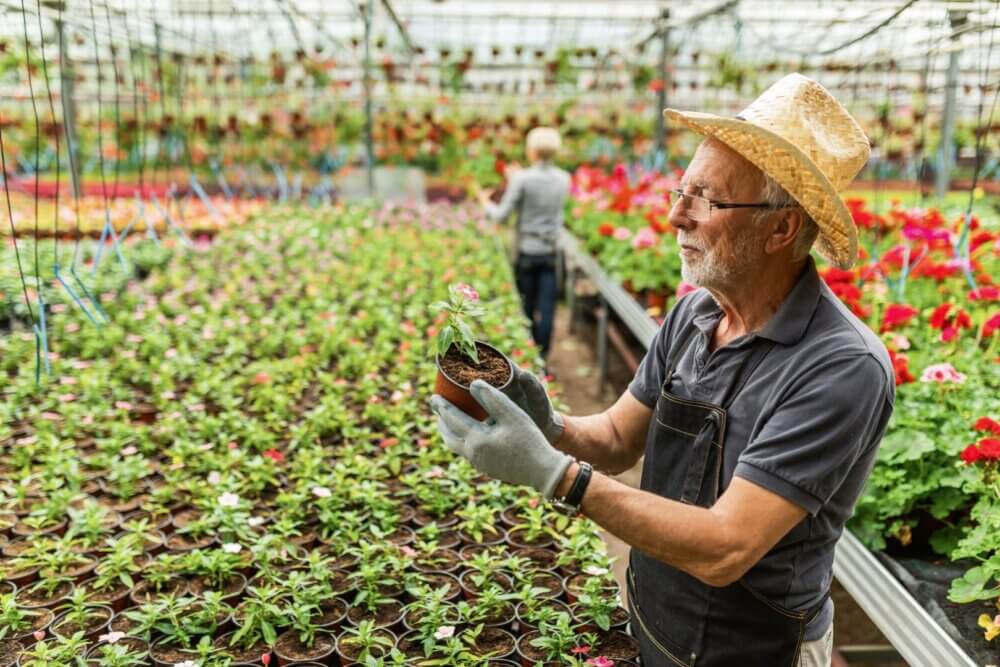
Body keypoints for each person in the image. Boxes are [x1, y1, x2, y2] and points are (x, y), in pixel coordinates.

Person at [432, 74, 894, 667]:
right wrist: (549, 425)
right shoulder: (697, 312)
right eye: (681, 190)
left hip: (751, 650)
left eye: (708, 199)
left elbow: (727, 547)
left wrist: (557, 476)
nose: (676, 215)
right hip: (654, 617)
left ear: (780, 229)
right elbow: (619, 440)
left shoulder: (839, 367)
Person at [478, 126, 570, 361]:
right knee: (548, 307)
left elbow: (501, 216)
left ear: (533, 151)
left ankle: (528, 355)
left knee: (526, 307)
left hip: (527, 252)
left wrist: (484, 202)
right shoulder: (563, 179)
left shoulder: (522, 179)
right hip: (551, 251)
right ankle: (544, 356)